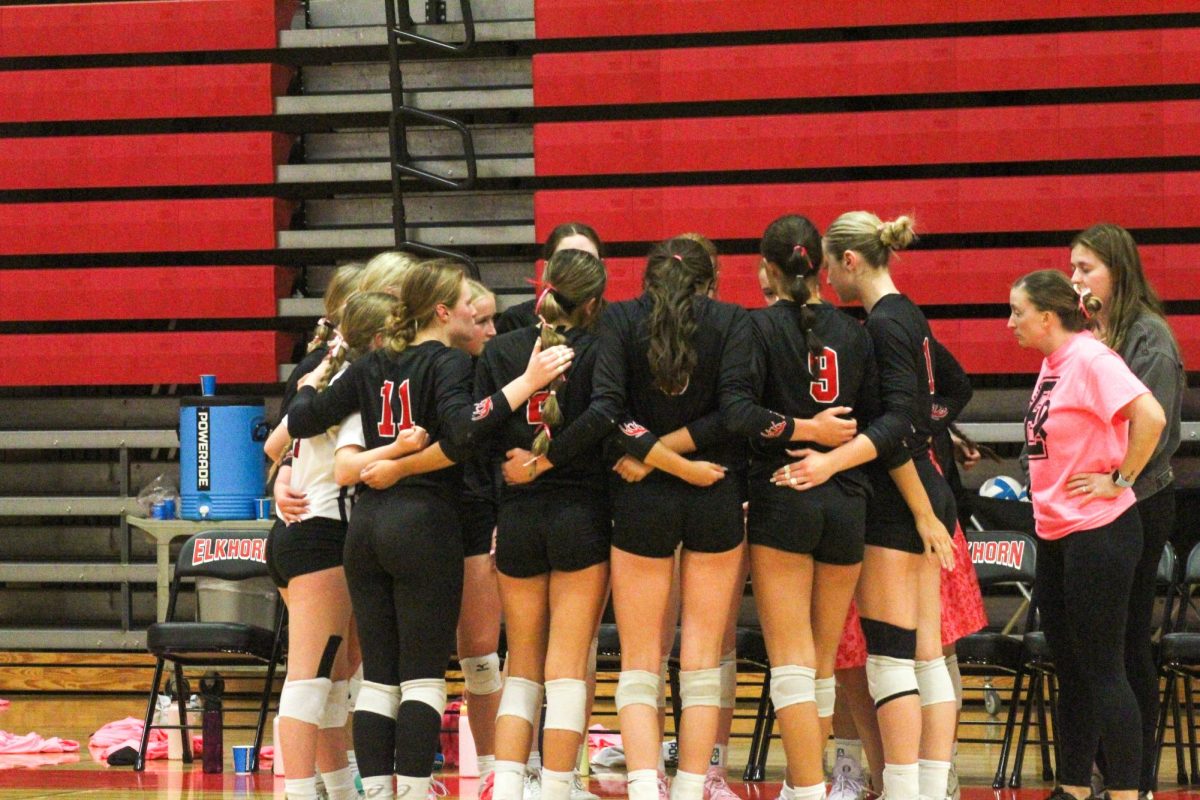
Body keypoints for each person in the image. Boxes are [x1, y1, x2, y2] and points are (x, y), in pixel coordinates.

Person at [287, 260, 575, 800]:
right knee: (421, 677)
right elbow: (464, 430)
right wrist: (528, 384)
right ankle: (416, 789)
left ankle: (375, 791)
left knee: (377, 678)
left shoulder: (374, 363)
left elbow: (304, 419)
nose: (475, 312)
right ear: (441, 311)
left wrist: (307, 387)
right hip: (424, 525)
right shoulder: (446, 362)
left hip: (365, 527)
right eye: (466, 305)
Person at [535, 236, 743, 800]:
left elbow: (612, 414)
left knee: (639, 656)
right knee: (701, 656)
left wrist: (655, 461)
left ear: (647, 280)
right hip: (714, 491)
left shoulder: (620, 319)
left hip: (640, 493)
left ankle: (646, 787)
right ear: (706, 281)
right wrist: (687, 466)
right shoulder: (732, 321)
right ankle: (695, 785)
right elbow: (733, 415)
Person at [778, 212, 957, 800]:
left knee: (891, 661)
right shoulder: (911, 315)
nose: (826, 278)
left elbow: (898, 424)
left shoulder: (881, 326)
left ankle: (907, 790)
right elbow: (952, 389)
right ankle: (929, 788)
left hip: (898, 500)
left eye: (830, 265)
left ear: (849, 261)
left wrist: (829, 462)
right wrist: (936, 437)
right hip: (926, 493)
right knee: (926, 655)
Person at [722, 214, 871, 800]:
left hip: (784, 493)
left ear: (768, 270)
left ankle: (807, 790)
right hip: (847, 501)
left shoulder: (754, 329)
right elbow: (880, 422)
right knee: (822, 661)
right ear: (820, 267)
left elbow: (738, 413)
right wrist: (829, 445)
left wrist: (796, 428)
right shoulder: (856, 331)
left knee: (790, 659)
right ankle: (811, 785)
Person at [1007, 268, 1166, 800]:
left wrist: (1120, 478)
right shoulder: (1054, 362)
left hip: (1100, 532)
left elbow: (1152, 416)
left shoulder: (1092, 358)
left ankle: (1125, 792)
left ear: (1047, 316)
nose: (1011, 323)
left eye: (1017, 312)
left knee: (1103, 668)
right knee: (1070, 668)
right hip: (1055, 533)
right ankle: (1072, 788)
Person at [478, 249, 612, 800]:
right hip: (581, 517)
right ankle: (559, 788)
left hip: (517, 522)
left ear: (543, 290)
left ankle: (509, 786)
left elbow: (479, 434)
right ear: (595, 303)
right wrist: (550, 460)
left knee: (523, 664)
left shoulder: (503, 349)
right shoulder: (603, 349)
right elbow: (605, 418)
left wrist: (519, 467)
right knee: (566, 665)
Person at [263, 290, 395, 800]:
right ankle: (297, 792)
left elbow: (274, 446)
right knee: (310, 683)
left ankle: (341, 791)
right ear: (381, 339)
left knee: (334, 682)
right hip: (321, 537)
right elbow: (344, 467)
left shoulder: (317, 384)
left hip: (298, 534)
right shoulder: (354, 392)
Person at [1068, 224, 1184, 800]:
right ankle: (1091, 768)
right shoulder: (1085, 333)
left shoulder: (1150, 338)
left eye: (1087, 268)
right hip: (1088, 510)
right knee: (1091, 644)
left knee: (1127, 643)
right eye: (1072, 268)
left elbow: (1154, 429)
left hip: (1139, 502)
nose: (1076, 279)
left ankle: (1132, 778)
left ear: (1118, 270)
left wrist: (1117, 481)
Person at [456, 278, 505, 791]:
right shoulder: (423, 365)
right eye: (482, 320)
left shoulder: (492, 365)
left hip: (476, 513)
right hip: (424, 516)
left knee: (480, 655)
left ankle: (492, 771)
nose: (492, 330)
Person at [497, 222, 603, 335]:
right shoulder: (516, 319)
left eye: (588, 259)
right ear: (547, 268)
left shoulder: (618, 320)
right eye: (565, 259)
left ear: (602, 267)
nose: (577, 267)